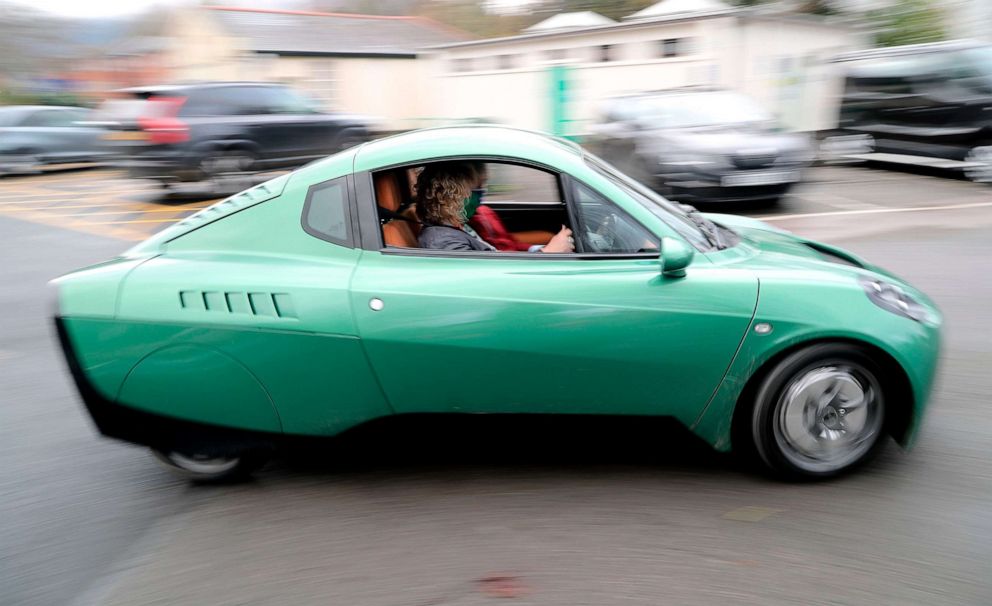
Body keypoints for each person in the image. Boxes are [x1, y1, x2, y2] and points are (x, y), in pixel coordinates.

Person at [416, 162, 574, 253]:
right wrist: (547, 253)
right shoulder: (443, 242)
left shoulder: (458, 227)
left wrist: (539, 250)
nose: (481, 195)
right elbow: (489, 283)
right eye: (476, 189)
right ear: (451, 197)